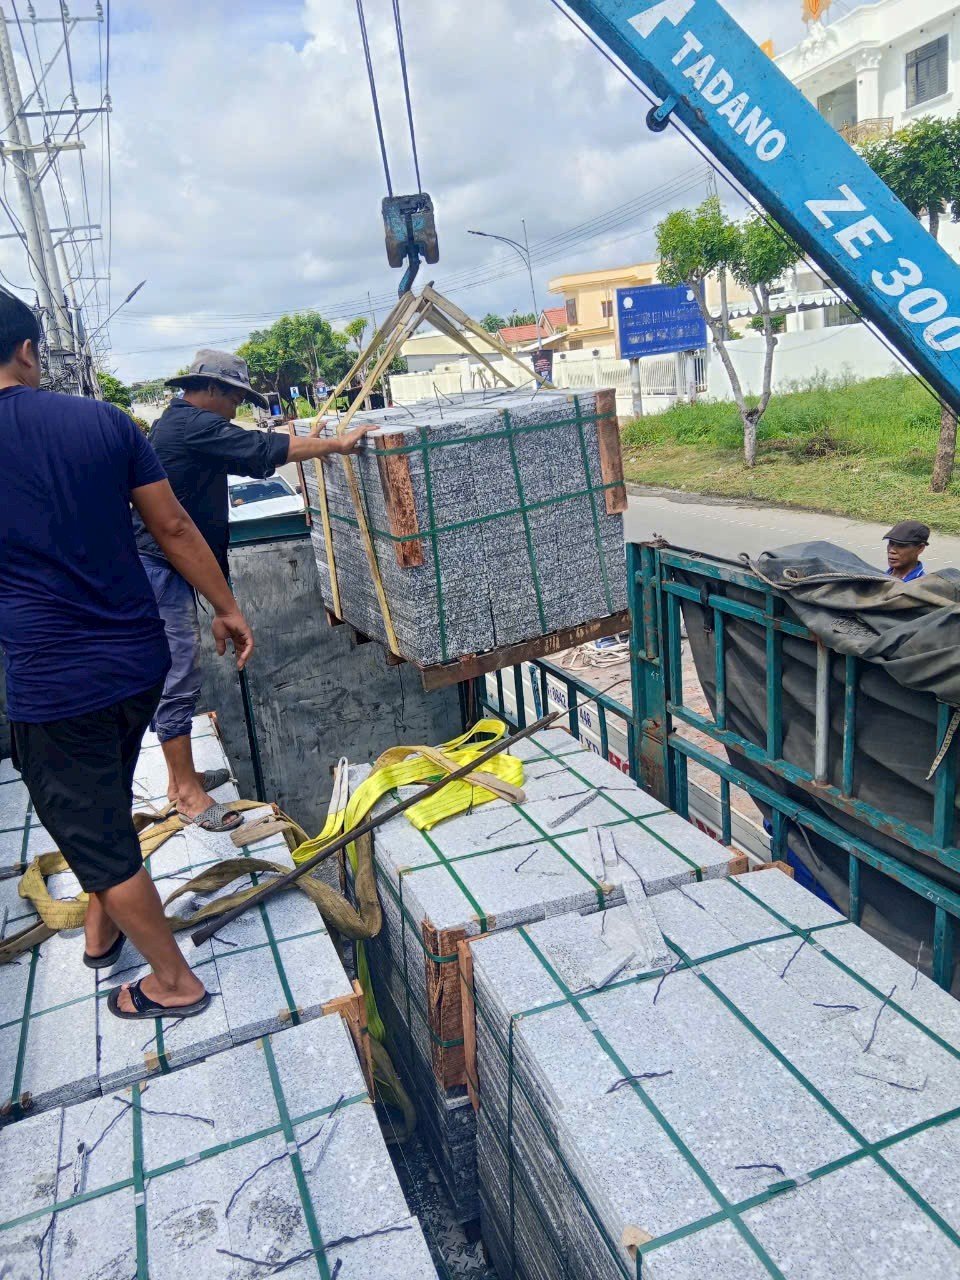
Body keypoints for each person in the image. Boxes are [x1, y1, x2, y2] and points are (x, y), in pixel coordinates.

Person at [0, 291, 254, 1020]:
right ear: (27, 350)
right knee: (103, 795)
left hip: (53, 681)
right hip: (136, 659)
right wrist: (227, 608)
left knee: (90, 829)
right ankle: (102, 931)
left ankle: (174, 982)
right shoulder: (106, 421)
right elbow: (173, 527)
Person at [133, 349, 372, 831]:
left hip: (163, 566)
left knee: (178, 668)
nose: (236, 408)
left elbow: (250, 458)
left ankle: (182, 779)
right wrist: (336, 445)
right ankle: (186, 793)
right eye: (235, 398)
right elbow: (261, 448)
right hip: (158, 567)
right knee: (178, 670)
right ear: (211, 390)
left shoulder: (179, 425)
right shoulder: (192, 425)